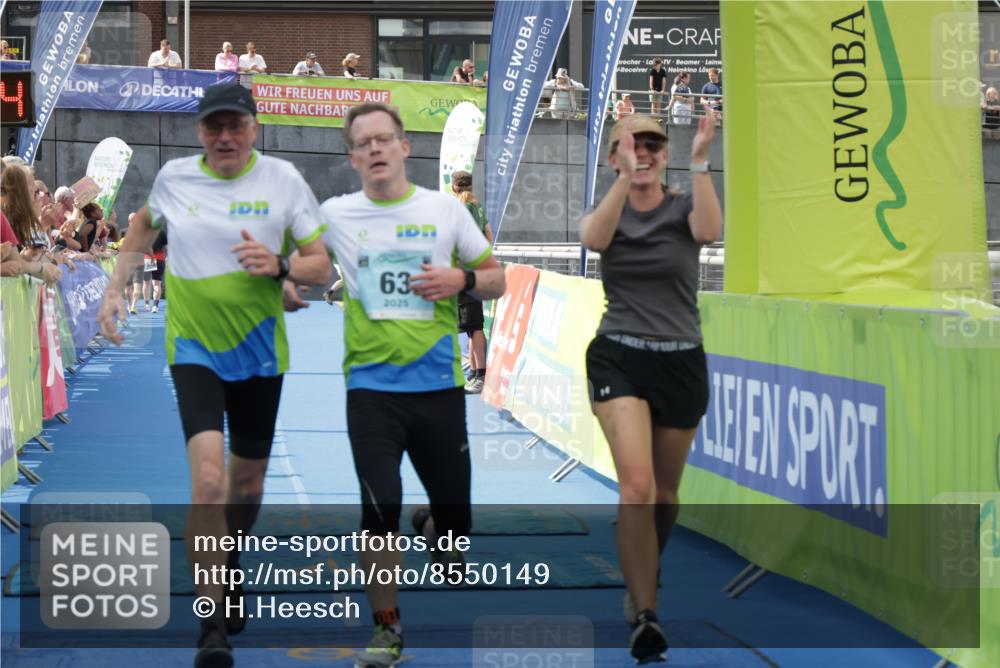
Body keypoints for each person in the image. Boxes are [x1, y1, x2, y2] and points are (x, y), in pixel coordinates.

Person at [97, 84, 332, 668]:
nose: (224, 137)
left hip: (259, 354)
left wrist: (280, 265)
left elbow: (322, 266)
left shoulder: (283, 183)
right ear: (200, 131)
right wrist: (112, 289)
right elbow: (140, 230)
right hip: (194, 349)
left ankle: (229, 562)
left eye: (235, 125)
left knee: (246, 487)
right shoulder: (175, 179)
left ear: (253, 128)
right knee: (207, 482)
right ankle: (211, 624)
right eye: (212, 127)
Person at [291, 102, 504, 668]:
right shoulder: (337, 212)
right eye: (365, 143)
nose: (377, 149)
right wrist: (280, 276)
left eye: (386, 139)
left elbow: (497, 278)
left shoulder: (445, 212)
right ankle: (387, 630)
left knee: (455, 538)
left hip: (437, 390)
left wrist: (460, 278)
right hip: (371, 391)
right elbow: (308, 262)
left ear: (405, 147)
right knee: (379, 508)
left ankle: (435, 524)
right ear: (353, 156)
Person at [579, 113, 722, 664]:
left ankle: (642, 577)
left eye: (654, 145)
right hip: (619, 356)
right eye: (631, 146)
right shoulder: (609, 208)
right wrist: (623, 176)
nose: (644, 152)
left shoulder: (685, 204)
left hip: (681, 361)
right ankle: (645, 614)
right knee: (636, 487)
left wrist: (702, 161)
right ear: (614, 156)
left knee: (664, 496)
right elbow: (593, 240)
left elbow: (709, 232)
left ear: (667, 155)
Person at [449, 170, 494, 394]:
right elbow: (488, 237)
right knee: (471, 326)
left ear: (453, 187)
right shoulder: (478, 207)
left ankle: (480, 375)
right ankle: (475, 373)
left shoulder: (461, 209)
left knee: (474, 326)